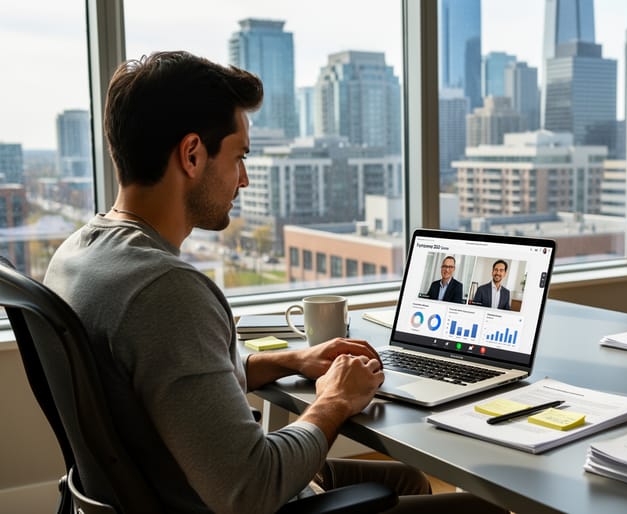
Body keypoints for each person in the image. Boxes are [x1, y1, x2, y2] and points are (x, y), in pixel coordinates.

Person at [43, 51, 504, 514]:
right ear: (192, 155)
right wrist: (335, 400)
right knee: (480, 508)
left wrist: (297, 358)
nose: (243, 179)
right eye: (240, 156)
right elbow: (251, 490)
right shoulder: (166, 291)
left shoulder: (78, 257)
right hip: (236, 497)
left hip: (165, 489)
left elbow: (179, 381)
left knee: (405, 478)